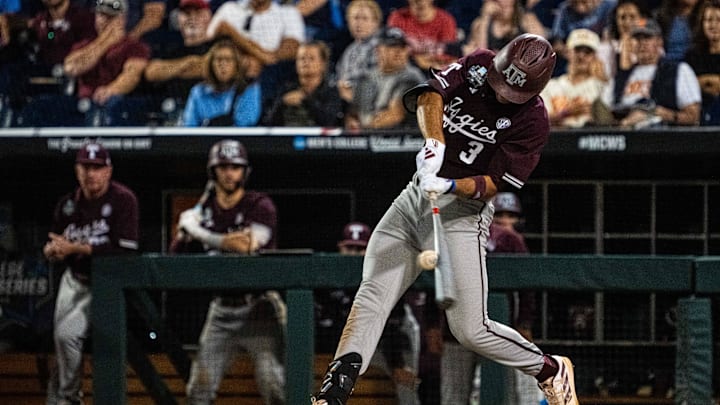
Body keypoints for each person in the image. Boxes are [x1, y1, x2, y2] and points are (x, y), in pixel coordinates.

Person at [311, 33, 579, 405]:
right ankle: (333, 393)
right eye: (502, 83)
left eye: (513, 92)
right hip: (415, 197)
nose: (503, 94)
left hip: (463, 215)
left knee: (470, 329)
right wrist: (433, 145)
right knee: (372, 293)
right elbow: (430, 94)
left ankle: (549, 368)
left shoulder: (533, 122)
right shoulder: (480, 64)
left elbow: (492, 185)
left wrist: (451, 183)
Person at [169, 139, 285, 405]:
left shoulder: (259, 205)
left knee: (274, 383)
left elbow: (246, 245)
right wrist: (184, 230)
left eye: (235, 166)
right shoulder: (204, 211)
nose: (230, 172)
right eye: (223, 167)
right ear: (214, 172)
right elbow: (174, 257)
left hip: (258, 308)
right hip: (221, 310)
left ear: (245, 171)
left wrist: (200, 232)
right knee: (198, 388)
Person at [44, 142, 139, 405]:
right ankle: (67, 399)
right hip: (76, 280)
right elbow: (57, 241)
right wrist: (53, 250)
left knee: (109, 347)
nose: (91, 174)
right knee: (64, 338)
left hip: (111, 285)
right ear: (77, 171)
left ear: (108, 171)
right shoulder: (67, 205)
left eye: (97, 168)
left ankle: (80, 398)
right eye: (86, 167)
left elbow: (126, 249)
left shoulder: (123, 199)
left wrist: (75, 247)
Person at [439, 191, 538, 405]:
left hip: (500, 328)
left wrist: (524, 322)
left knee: (505, 394)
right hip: (455, 331)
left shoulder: (510, 240)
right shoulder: (450, 234)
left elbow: (527, 288)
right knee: (453, 396)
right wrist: (433, 325)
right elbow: (438, 281)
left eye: (510, 215)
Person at [315, 221, 422, 404]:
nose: (355, 254)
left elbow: (393, 327)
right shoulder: (328, 279)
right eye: (350, 248)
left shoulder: (385, 274)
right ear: (340, 248)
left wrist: (396, 363)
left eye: (360, 249)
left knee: (406, 378)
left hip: (387, 344)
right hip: (353, 344)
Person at [17, 0, 151, 126]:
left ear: (122, 20)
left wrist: (111, 90)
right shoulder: (83, 45)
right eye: (101, 16)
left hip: (116, 103)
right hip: (82, 103)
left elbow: (131, 75)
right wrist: (105, 42)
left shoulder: (136, 47)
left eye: (110, 17)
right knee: (43, 105)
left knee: (112, 104)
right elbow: (71, 68)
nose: (104, 21)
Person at [599, 18, 701, 127]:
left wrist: (659, 114)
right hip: (624, 135)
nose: (642, 43)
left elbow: (693, 116)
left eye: (647, 38)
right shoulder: (619, 77)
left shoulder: (679, 71)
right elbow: (604, 114)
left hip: (661, 136)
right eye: (637, 39)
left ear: (659, 42)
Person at [206, 0, 305, 107]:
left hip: (268, 75)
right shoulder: (230, 8)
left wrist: (234, 34)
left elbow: (287, 52)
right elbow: (209, 42)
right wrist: (257, 55)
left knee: (255, 67)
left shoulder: (287, 13)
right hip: (225, 70)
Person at [142, 0, 214, 125]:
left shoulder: (218, 46)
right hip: (172, 114)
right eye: (186, 14)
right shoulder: (169, 47)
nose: (192, 18)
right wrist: (190, 61)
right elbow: (152, 72)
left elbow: (212, 69)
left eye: (198, 13)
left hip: (208, 114)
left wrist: (172, 69)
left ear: (209, 17)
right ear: (178, 19)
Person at [345, 27, 425, 130]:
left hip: (402, 139)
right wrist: (352, 124)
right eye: (391, 47)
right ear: (378, 50)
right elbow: (354, 113)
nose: (398, 52)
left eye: (402, 47)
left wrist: (363, 130)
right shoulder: (367, 77)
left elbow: (395, 115)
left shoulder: (411, 78)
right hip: (369, 137)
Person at [262, 40, 345, 127]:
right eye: (302, 58)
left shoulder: (331, 92)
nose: (306, 62)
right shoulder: (287, 89)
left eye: (311, 58)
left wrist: (306, 100)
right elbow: (268, 122)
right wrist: (282, 103)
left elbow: (329, 121)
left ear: (323, 64)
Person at [182, 39, 262, 126]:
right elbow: (189, 128)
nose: (223, 65)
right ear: (211, 65)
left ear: (237, 65)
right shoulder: (198, 92)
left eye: (228, 60)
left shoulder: (249, 89)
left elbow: (245, 125)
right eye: (219, 60)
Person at [541, 28, 607, 127]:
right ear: (568, 53)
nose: (581, 56)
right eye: (577, 50)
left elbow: (608, 122)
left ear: (595, 56)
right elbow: (540, 121)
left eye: (587, 52)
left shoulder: (601, 87)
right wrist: (566, 113)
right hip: (555, 139)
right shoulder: (550, 85)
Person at [334, 0, 383, 103]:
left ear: (376, 22)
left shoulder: (381, 47)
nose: (359, 23)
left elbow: (378, 82)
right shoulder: (349, 50)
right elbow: (340, 77)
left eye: (365, 18)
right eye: (355, 18)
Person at [387, 0, 458, 69]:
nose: (420, 1)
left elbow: (450, 55)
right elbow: (392, 51)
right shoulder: (398, 18)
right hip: (407, 68)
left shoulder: (446, 20)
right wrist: (416, 60)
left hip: (437, 68)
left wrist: (427, 63)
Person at [461, 0, 547, 55]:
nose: (505, 2)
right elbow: (480, 54)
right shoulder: (480, 23)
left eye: (509, 6)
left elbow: (542, 47)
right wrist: (485, 17)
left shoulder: (527, 19)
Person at [684, 0, 720, 125]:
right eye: (709, 20)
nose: (713, 25)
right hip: (701, 109)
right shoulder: (692, 55)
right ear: (702, 23)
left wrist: (702, 81)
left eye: (718, 20)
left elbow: (697, 83)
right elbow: (687, 87)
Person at [596, 0, 649, 78]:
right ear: (616, 21)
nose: (627, 22)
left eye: (632, 17)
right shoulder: (606, 48)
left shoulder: (651, 47)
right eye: (622, 17)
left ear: (641, 19)